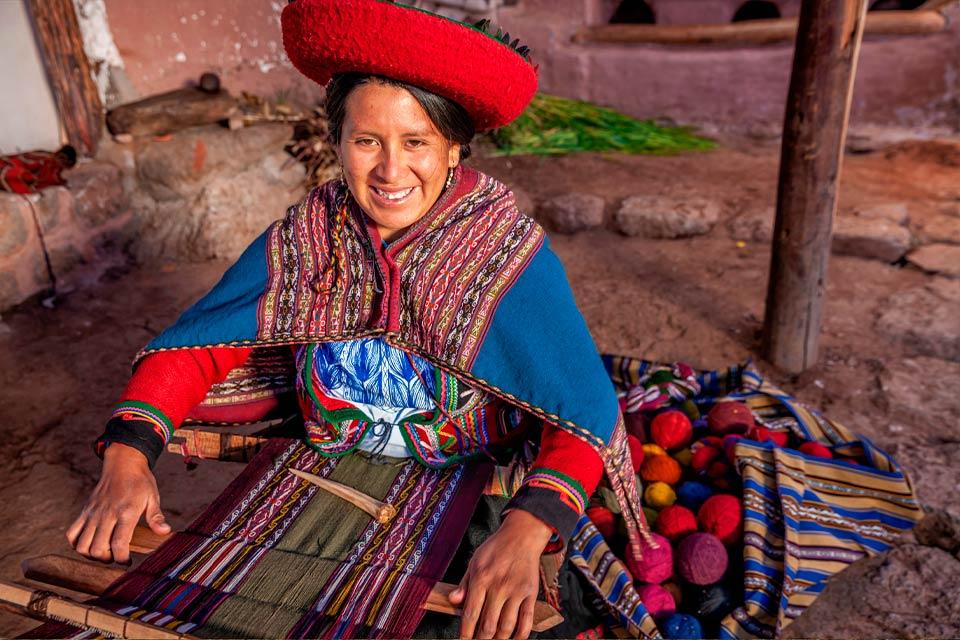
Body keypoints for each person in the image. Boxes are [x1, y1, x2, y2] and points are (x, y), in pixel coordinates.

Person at [67, 1, 647, 638]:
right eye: (366, 140)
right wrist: (127, 459)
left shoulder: (505, 255)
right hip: (322, 474)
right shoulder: (307, 238)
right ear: (336, 141)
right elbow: (202, 345)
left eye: (416, 142)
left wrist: (525, 529)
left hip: (467, 490)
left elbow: (578, 410)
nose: (391, 171)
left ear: (454, 148)